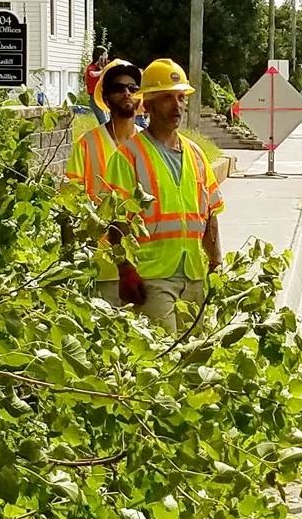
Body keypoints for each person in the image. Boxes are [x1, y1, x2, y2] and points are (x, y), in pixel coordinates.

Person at [121, 58, 225, 331]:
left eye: (180, 97)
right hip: (152, 276)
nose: (176, 105)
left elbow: (210, 213)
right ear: (149, 104)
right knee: (162, 357)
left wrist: (216, 263)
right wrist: (125, 270)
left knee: (194, 359)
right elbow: (116, 220)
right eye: (167, 98)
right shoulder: (129, 155)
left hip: (193, 274)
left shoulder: (196, 154)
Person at [63, 58, 143, 303]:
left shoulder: (149, 145)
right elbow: (68, 204)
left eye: (133, 88)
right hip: (103, 268)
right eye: (119, 88)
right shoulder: (88, 145)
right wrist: (69, 263)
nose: (127, 93)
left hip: (147, 265)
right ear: (106, 99)